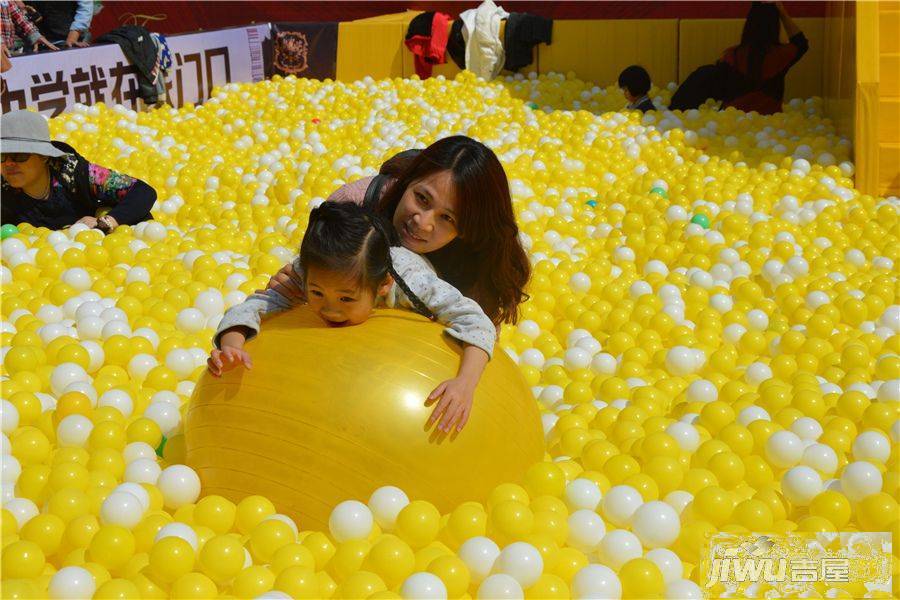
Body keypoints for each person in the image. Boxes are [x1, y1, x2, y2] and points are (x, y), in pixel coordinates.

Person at [210, 201, 497, 433]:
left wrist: (464, 384)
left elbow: (478, 322)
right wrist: (232, 345)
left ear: (382, 285)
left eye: (346, 299)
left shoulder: (415, 284)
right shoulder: (312, 271)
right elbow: (257, 304)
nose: (330, 309)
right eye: (317, 293)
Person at [265, 135, 531, 327]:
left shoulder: (478, 265)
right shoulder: (352, 206)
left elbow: (481, 336)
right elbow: (318, 284)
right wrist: (291, 290)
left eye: (447, 218)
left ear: (467, 230)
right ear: (408, 181)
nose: (422, 222)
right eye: (422, 198)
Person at [1, 110, 156, 232]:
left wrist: (105, 223)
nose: (8, 163)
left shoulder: (73, 172)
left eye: (19, 156)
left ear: (44, 157)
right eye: (2, 156)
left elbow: (142, 191)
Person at [720, 0, 808, 115]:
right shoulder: (780, 55)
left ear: (749, 24)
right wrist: (782, 13)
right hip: (770, 119)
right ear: (775, 26)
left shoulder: (731, 55)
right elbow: (801, 43)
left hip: (734, 118)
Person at [25, 0, 94, 48]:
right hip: (37, 40)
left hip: (68, 39)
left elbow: (85, 7)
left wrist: (74, 35)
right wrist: (34, 35)